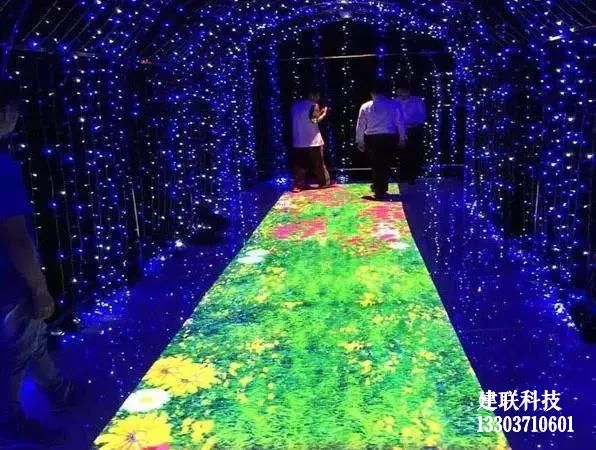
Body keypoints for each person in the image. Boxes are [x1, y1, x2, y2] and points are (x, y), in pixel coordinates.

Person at [0, 79, 73, 444]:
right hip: (9, 277)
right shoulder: (3, 168)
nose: (16, 117)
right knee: (16, 350)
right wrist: (39, 287)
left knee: (32, 335)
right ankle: (9, 419)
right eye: (14, 109)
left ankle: (57, 388)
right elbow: (15, 236)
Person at [356, 78, 406, 200]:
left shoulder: (366, 106)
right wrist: (402, 138)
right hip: (389, 137)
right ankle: (381, 187)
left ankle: (379, 188)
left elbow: (361, 125)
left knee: (376, 164)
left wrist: (360, 141)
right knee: (385, 163)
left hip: (372, 138)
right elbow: (400, 122)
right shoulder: (394, 104)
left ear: (372, 93)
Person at [290, 87, 335, 192]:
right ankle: (324, 183)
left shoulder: (295, 105)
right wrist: (323, 114)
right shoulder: (313, 105)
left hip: (298, 140)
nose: (318, 98)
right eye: (317, 95)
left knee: (300, 165)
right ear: (311, 95)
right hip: (313, 140)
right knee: (319, 164)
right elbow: (314, 120)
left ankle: (298, 185)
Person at [395, 81, 427, 184]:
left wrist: (414, 122)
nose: (400, 95)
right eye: (398, 92)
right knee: (401, 154)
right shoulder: (394, 102)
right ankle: (402, 176)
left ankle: (411, 177)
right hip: (399, 130)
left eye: (402, 92)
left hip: (414, 130)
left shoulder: (417, 101)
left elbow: (422, 115)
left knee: (413, 153)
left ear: (407, 91)